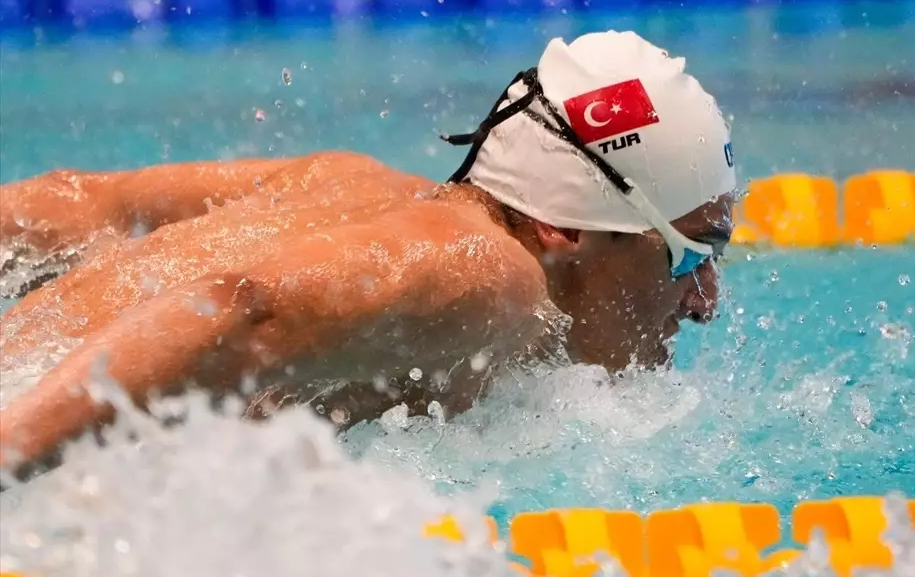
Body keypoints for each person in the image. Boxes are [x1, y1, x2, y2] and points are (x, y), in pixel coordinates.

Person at [0, 31, 736, 476]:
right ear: (566, 230)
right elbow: (243, 309)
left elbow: (92, 207)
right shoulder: (489, 280)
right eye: (685, 252)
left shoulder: (354, 183)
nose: (704, 298)